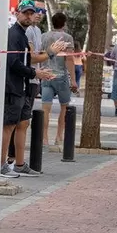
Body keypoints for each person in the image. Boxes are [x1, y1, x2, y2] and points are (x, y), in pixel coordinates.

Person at [1, 0, 57, 179]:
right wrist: (35, 72)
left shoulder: (24, 35)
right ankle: (1, 165)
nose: (28, 16)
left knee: (23, 123)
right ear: (17, 13)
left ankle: (19, 164)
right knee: (8, 126)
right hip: (13, 86)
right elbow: (14, 63)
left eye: (31, 13)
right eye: (25, 12)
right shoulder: (14, 35)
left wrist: (36, 73)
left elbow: (26, 61)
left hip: (24, 86)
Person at [41, 11, 77, 146]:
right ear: (64, 23)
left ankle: (44, 138)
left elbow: (40, 55)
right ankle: (59, 137)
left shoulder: (44, 36)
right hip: (61, 76)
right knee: (64, 107)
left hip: (46, 75)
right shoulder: (67, 38)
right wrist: (73, 79)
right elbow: (69, 59)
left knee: (45, 108)